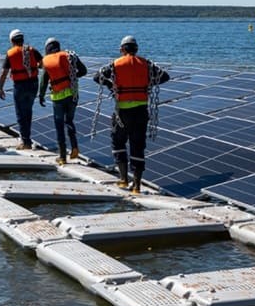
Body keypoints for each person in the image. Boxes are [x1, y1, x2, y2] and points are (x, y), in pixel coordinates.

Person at [93, 35, 169, 194]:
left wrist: (112, 85)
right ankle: (137, 186)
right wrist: (148, 84)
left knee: (118, 142)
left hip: (122, 112)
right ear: (136, 49)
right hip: (141, 112)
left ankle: (123, 179)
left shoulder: (115, 64)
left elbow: (97, 77)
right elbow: (164, 76)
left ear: (122, 49)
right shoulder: (146, 64)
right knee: (138, 146)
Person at [38, 37, 87, 164]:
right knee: (69, 121)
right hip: (72, 95)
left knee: (59, 126)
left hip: (58, 98)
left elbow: (43, 82)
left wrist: (41, 96)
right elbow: (84, 71)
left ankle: (62, 157)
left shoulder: (47, 61)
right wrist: (72, 76)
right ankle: (75, 147)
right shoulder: (69, 56)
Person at [0, 29, 43, 150]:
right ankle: (27, 139)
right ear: (22, 39)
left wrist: (0, 88)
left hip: (20, 86)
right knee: (28, 111)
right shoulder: (32, 50)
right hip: (33, 85)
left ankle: (26, 142)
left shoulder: (11, 53)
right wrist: (35, 66)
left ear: (12, 41)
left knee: (21, 114)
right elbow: (43, 63)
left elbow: (4, 73)